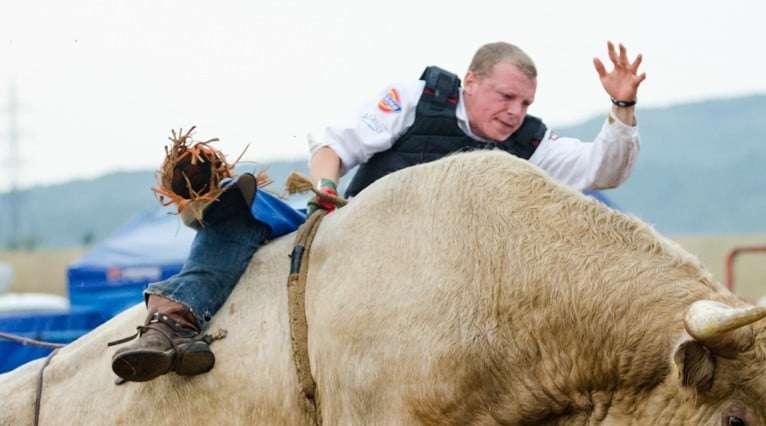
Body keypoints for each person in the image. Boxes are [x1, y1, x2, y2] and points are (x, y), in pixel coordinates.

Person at [110, 41, 646, 382]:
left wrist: (621, 108)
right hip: (356, 243)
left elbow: (603, 168)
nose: (515, 112)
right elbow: (334, 147)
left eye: (525, 104)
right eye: (506, 97)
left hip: (452, 287)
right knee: (239, 204)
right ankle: (171, 325)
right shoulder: (414, 99)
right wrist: (324, 186)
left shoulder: (530, 143)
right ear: (472, 82)